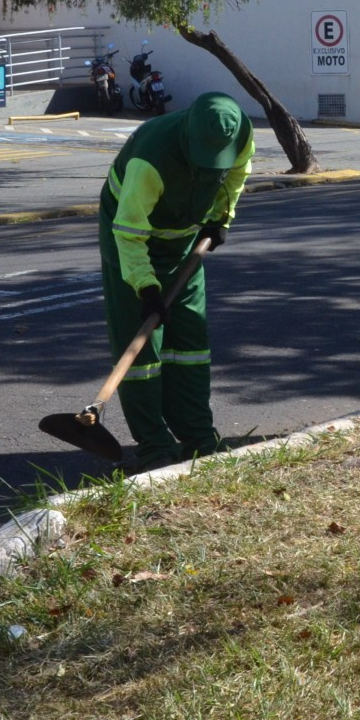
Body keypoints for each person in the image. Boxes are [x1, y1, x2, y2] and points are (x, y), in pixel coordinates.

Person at [99, 92, 253, 471]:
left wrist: (222, 217)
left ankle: (198, 436)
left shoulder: (240, 136)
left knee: (190, 344)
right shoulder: (150, 157)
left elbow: (236, 174)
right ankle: (153, 445)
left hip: (185, 243)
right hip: (131, 241)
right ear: (188, 135)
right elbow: (130, 233)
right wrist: (146, 287)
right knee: (142, 351)